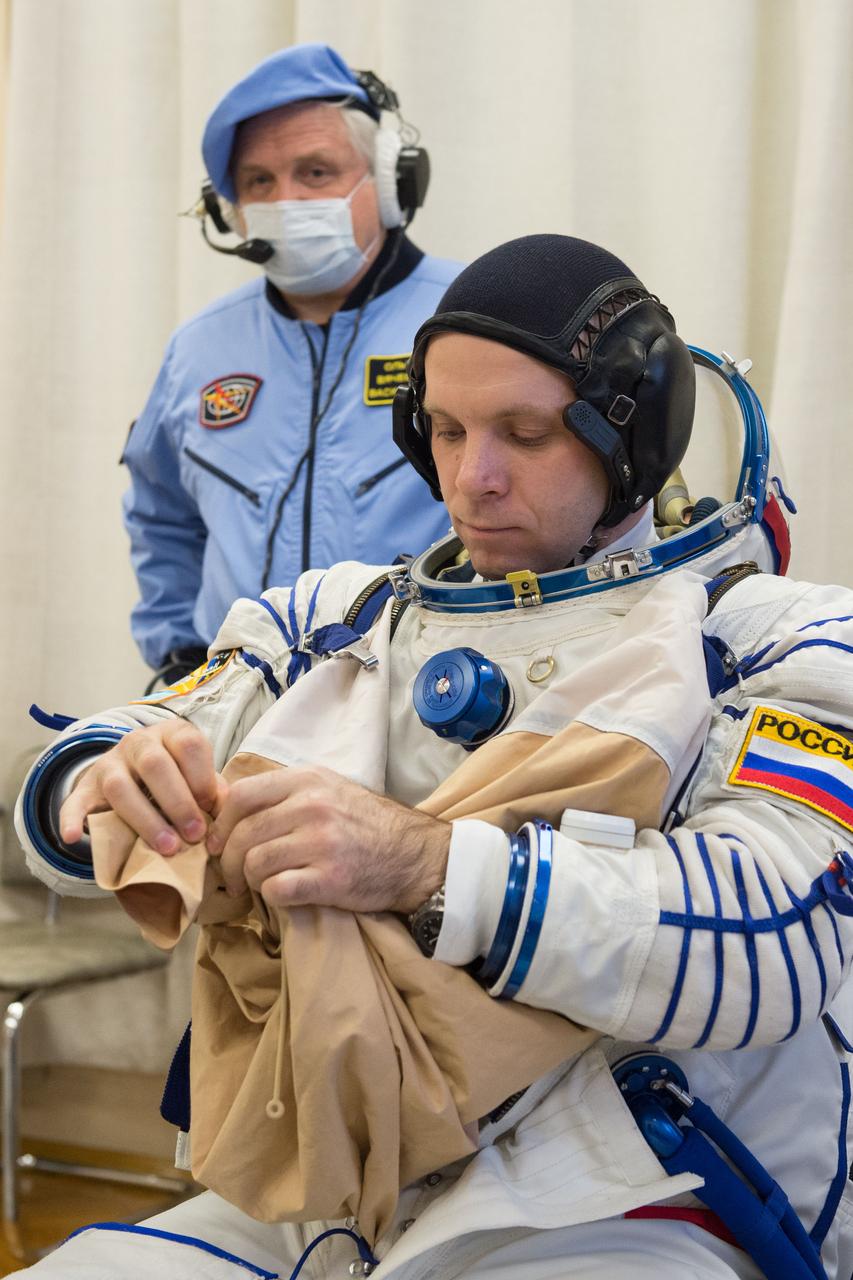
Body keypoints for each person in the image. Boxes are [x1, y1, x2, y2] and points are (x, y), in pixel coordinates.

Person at [15, 235, 853, 1280]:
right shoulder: (331, 619)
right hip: (329, 1180)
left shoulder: (771, 644)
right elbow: (121, 742)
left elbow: (766, 940)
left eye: (524, 433)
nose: (472, 478)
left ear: (632, 439)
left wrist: (426, 864)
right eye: (446, 431)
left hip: (620, 1186)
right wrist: (100, 781)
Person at [124, 42, 461, 681]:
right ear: (232, 209)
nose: (287, 200)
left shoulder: (475, 316)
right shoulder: (198, 348)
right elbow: (159, 514)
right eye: (258, 181)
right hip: (235, 703)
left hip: (429, 702)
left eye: (315, 171)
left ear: (389, 182)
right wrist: (180, 658)